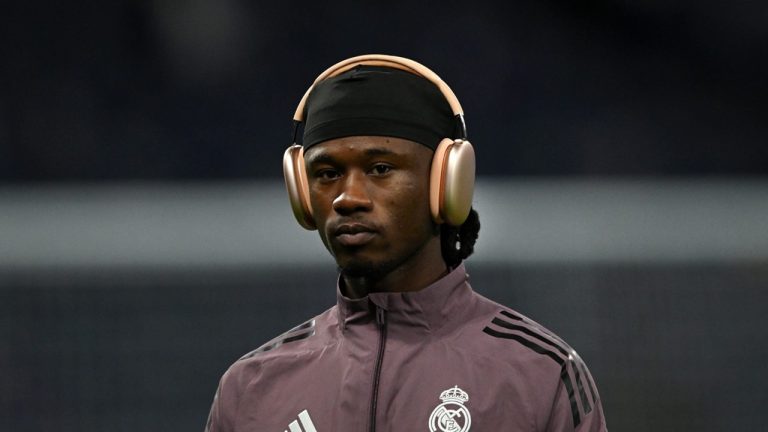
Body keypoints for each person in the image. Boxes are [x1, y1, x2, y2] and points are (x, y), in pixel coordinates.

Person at [205, 55, 607, 432]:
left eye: (381, 169)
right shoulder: (249, 390)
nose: (348, 198)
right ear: (302, 195)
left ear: (446, 184)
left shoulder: (539, 375)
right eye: (327, 173)